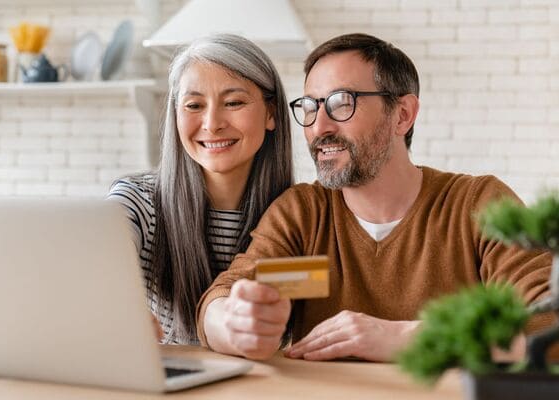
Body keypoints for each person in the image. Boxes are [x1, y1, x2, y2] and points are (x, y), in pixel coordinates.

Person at [196, 33, 554, 361]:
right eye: (310, 107)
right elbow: (221, 299)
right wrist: (235, 323)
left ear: (402, 115)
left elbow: (547, 326)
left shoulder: (477, 205)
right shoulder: (303, 213)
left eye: (341, 103)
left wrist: (402, 337)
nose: (319, 128)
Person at [107, 33, 294, 344]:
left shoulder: (296, 215)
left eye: (233, 102)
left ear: (271, 113)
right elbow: (104, 253)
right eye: (194, 105)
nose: (212, 123)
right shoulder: (139, 200)